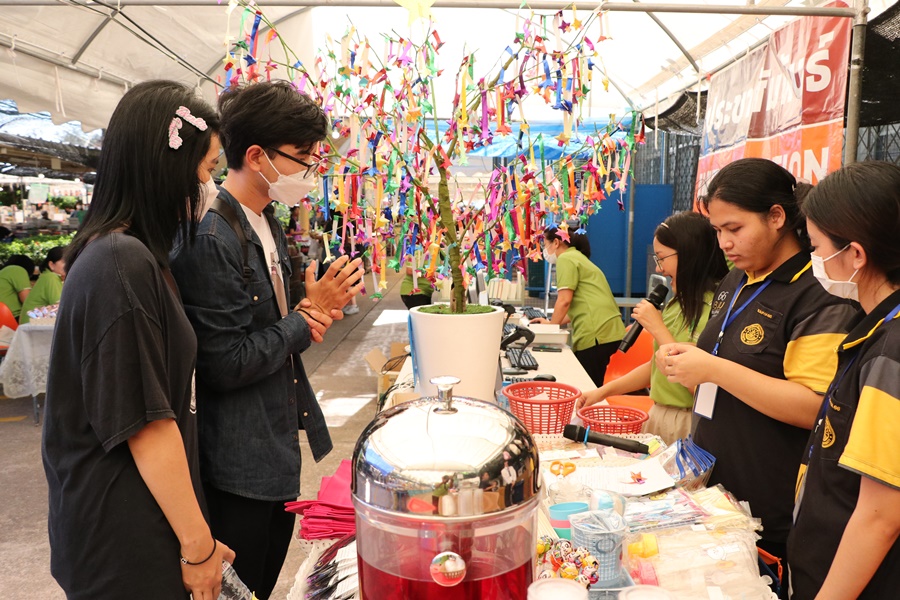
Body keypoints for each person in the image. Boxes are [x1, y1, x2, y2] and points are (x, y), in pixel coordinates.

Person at [170, 80, 363, 599]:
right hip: (238, 463)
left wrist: (311, 313)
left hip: (275, 445)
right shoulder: (214, 238)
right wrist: (307, 316)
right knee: (241, 586)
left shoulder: (267, 223)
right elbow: (224, 363)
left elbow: (278, 329)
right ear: (256, 156)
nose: (311, 170)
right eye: (303, 157)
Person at [42, 80, 234, 599]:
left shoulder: (129, 257)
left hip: (137, 525)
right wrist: (198, 546)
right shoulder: (119, 262)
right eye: (207, 168)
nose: (209, 185)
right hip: (123, 540)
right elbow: (146, 426)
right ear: (166, 165)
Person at [659, 158, 858, 570]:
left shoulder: (817, 293)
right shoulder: (736, 279)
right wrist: (685, 360)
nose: (724, 243)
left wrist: (713, 369)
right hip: (714, 490)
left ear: (777, 217)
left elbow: (815, 406)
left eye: (734, 229)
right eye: (717, 231)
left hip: (769, 502)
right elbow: (723, 363)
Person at [787, 162, 900, 599]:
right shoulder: (873, 327)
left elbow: (880, 516)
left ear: (855, 254)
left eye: (816, 247)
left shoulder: (891, 351)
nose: (813, 260)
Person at [577, 211, 729, 444]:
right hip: (659, 414)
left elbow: (699, 386)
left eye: (662, 258)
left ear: (689, 254)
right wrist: (602, 391)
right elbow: (655, 367)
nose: (659, 269)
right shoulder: (678, 304)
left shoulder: (717, 309)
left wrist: (658, 328)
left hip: (689, 421)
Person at [531, 223, 625, 386]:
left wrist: (551, 328)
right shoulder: (578, 258)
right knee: (593, 386)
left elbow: (564, 300)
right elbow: (579, 307)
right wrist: (552, 322)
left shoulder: (566, 259)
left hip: (596, 334)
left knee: (588, 388)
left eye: (545, 244)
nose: (544, 250)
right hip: (608, 331)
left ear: (556, 242)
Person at [19, 246, 66, 324]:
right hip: (32, 323)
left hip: (32, 321)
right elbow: (61, 306)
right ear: (51, 265)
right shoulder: (51, 277)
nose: (69, 265)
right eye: (64, 262)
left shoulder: (48, 276)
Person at [0, 254, 34, 320]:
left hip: (5, 318)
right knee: (50, 322)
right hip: (11, 318)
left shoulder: (3, 273)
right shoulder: (17, 269)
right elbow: (28, 302)